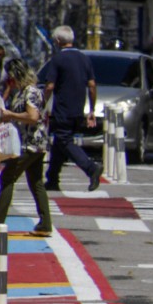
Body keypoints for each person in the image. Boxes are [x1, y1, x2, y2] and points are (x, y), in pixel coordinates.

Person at [0, 61, 53, 236]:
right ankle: (45, 224)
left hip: (29, 144)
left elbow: (32, 117)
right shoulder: (23, 92)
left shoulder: (30, 92)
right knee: (36, 182)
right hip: (34, 143)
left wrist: (12, 115)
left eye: (10, 78)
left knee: (7, 177)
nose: (9, 82)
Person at [38, 25, 101, 192]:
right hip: (78, 110)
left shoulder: (58, 59)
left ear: (58, 41)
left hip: (63, 110)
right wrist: (92, 110)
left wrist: (42, 104)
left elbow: (50, 86)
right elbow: (92, 85)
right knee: (60, 142)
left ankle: (91, 168)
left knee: (64, 141)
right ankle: (52, 179)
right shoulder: (84, 58)